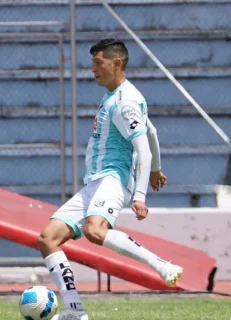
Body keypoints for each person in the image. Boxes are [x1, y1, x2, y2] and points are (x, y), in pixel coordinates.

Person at [37, 39, 183, 320]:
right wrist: (156, 169)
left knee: (95, 230)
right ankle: (74, 311)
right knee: (48, 239)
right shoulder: (117, 94)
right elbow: (151, 132)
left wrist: (140, 195)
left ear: (117, 63)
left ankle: (161, 265)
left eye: (98, 63)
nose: (92, 69)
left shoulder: (124, 101)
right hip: (96, 183)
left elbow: (142, 147)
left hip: (113, 180)